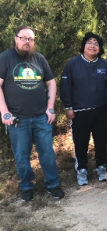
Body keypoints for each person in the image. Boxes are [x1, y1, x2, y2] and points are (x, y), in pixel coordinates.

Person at [0, 26, 64, 201]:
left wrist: (50, 108)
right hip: (17, 119)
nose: (27, 42)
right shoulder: (5, 58)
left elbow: (51, 82)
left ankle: (52, 184)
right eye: (24, 38)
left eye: (31, 39)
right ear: (16, 39)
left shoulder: (39, 59)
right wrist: (4, 112)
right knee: (21, 156)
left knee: (47, 153)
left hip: (41, 117)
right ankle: (26, 186)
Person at [60, 32, 107, 186]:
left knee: (101, 141)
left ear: (100, 48)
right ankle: (82, 169)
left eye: (96, 43)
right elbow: (65, 87)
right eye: (89, 42)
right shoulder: (72, 64)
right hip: (79, 112)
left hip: (101, 111)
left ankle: (101, 166)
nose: (92, 46)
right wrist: (68, 107)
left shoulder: (105, 66)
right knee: (80, 142)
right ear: (83, 46)